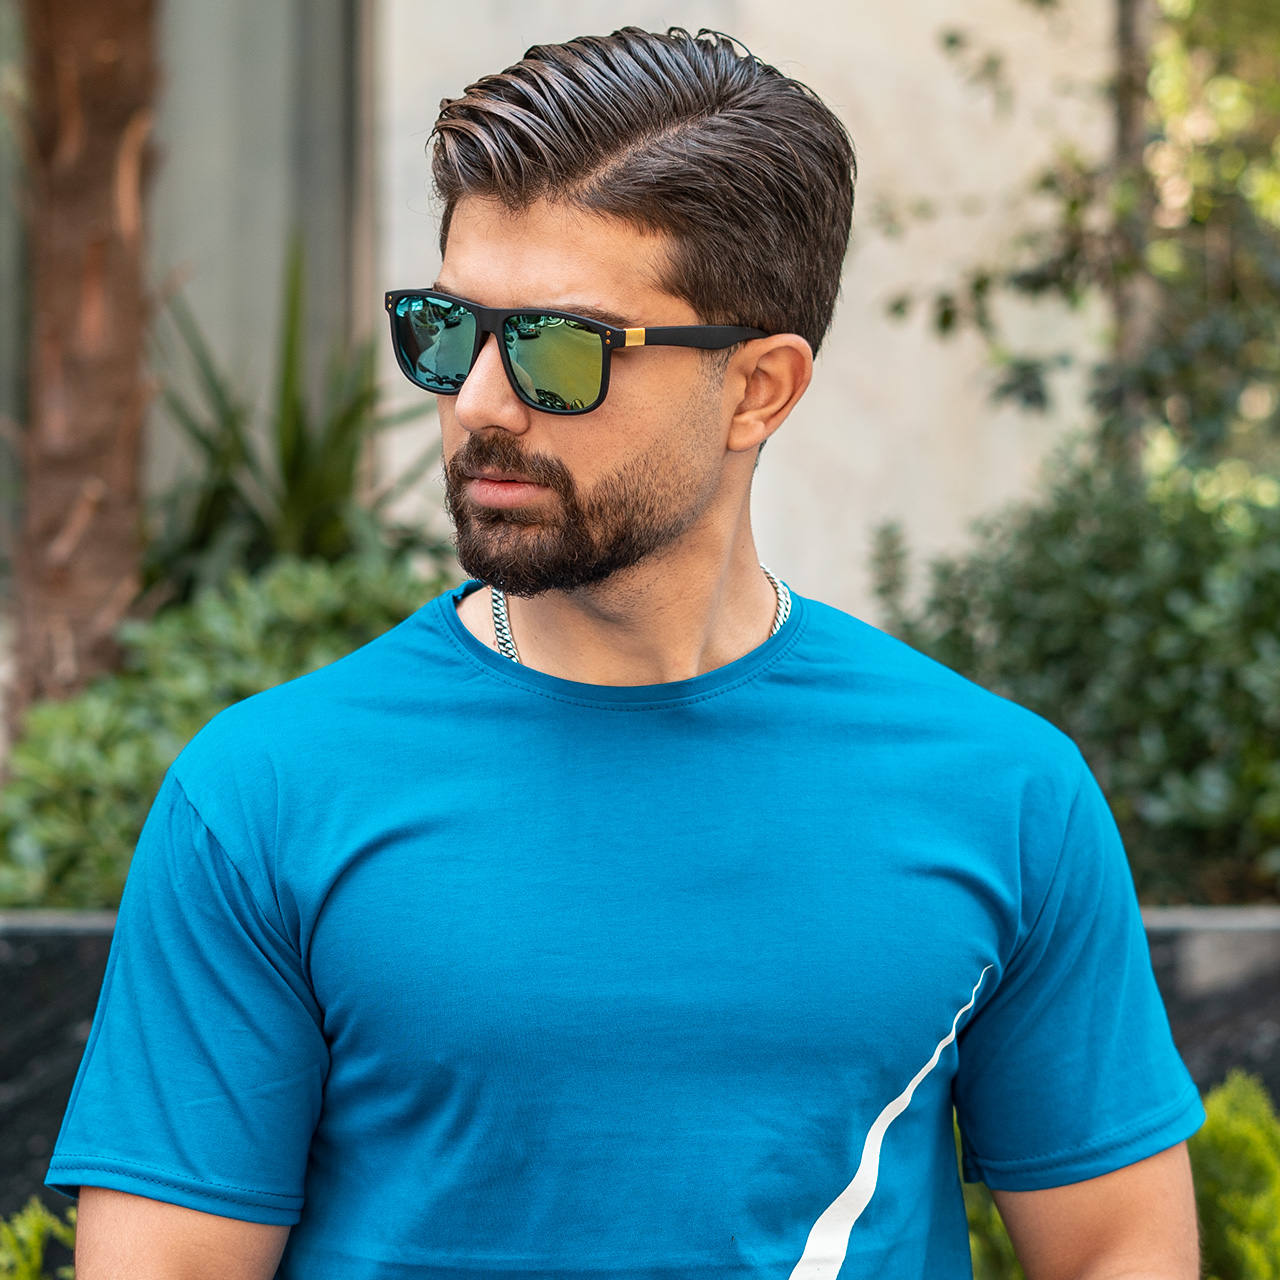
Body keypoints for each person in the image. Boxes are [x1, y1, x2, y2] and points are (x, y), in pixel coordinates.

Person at [52, 27, 1203, 1280]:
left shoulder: (1001, 791)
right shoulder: (264, 794)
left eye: (557, 347)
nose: (478, 402)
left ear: (758, 389)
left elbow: (1115, 1249)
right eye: (446, 330)